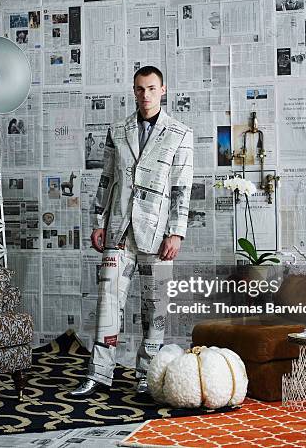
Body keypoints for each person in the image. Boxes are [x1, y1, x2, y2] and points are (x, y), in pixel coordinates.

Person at [69, 66, 194, 396]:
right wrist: (98, 222)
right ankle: (98, 372)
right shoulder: (118, 130)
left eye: (152, 88)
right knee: (108, 301)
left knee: (155, 307)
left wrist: (176, 233)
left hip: (157, 233)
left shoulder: (180, 134)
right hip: (119, 230)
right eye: (140, 89)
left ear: (163, 90)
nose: (146, 95)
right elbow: (107, 181)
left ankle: (147, 373)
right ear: (134, 91)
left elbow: (182, 189)